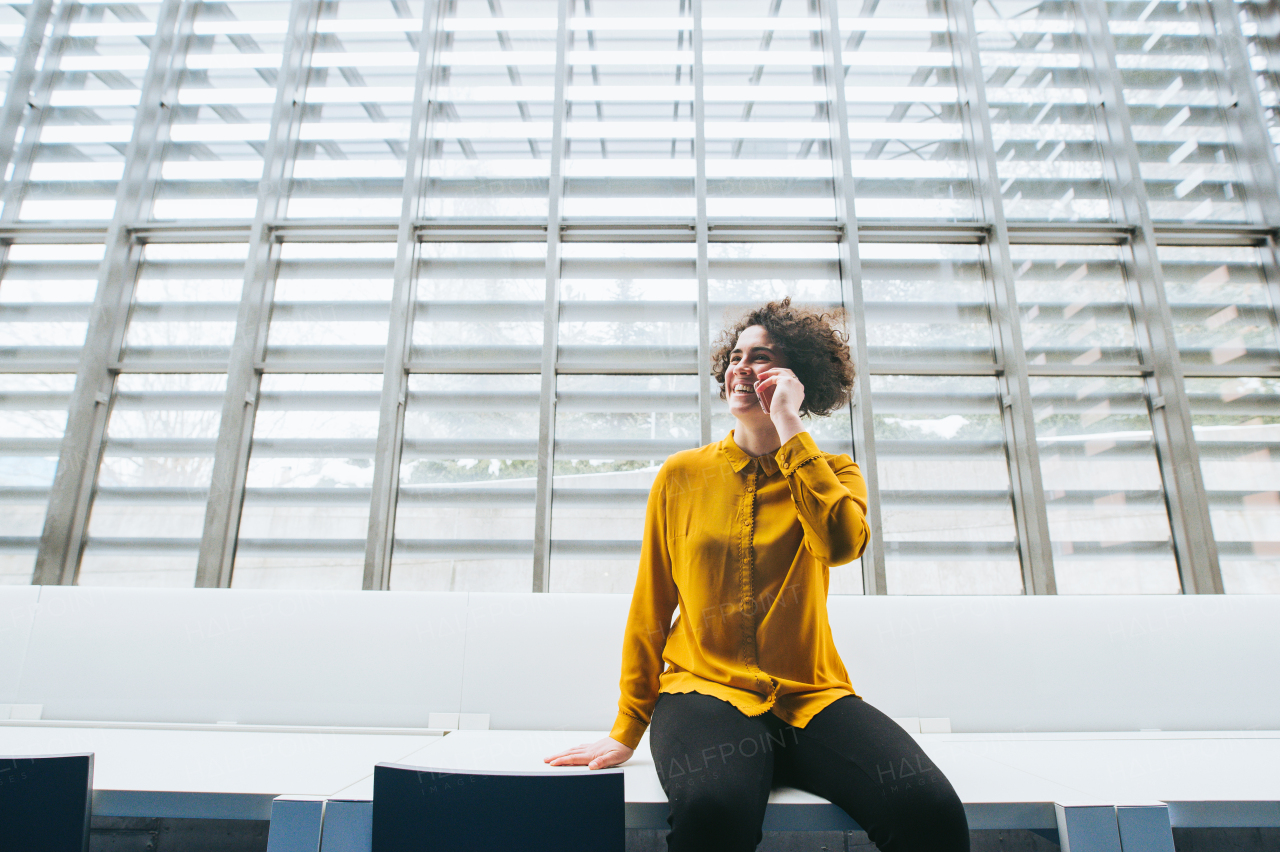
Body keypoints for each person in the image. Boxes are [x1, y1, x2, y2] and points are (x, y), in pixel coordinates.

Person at [545, 298, 969, 852]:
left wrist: (788, 424)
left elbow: (842, 545)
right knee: (714, 812)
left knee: (929, 810)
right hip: (704, 691)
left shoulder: (834, 473)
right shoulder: (682, 476)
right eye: (736, 356)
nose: (741, 368)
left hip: (811, 697)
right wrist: (627, 728)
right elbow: (651, 605)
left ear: (798, 379)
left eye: (762, 358)